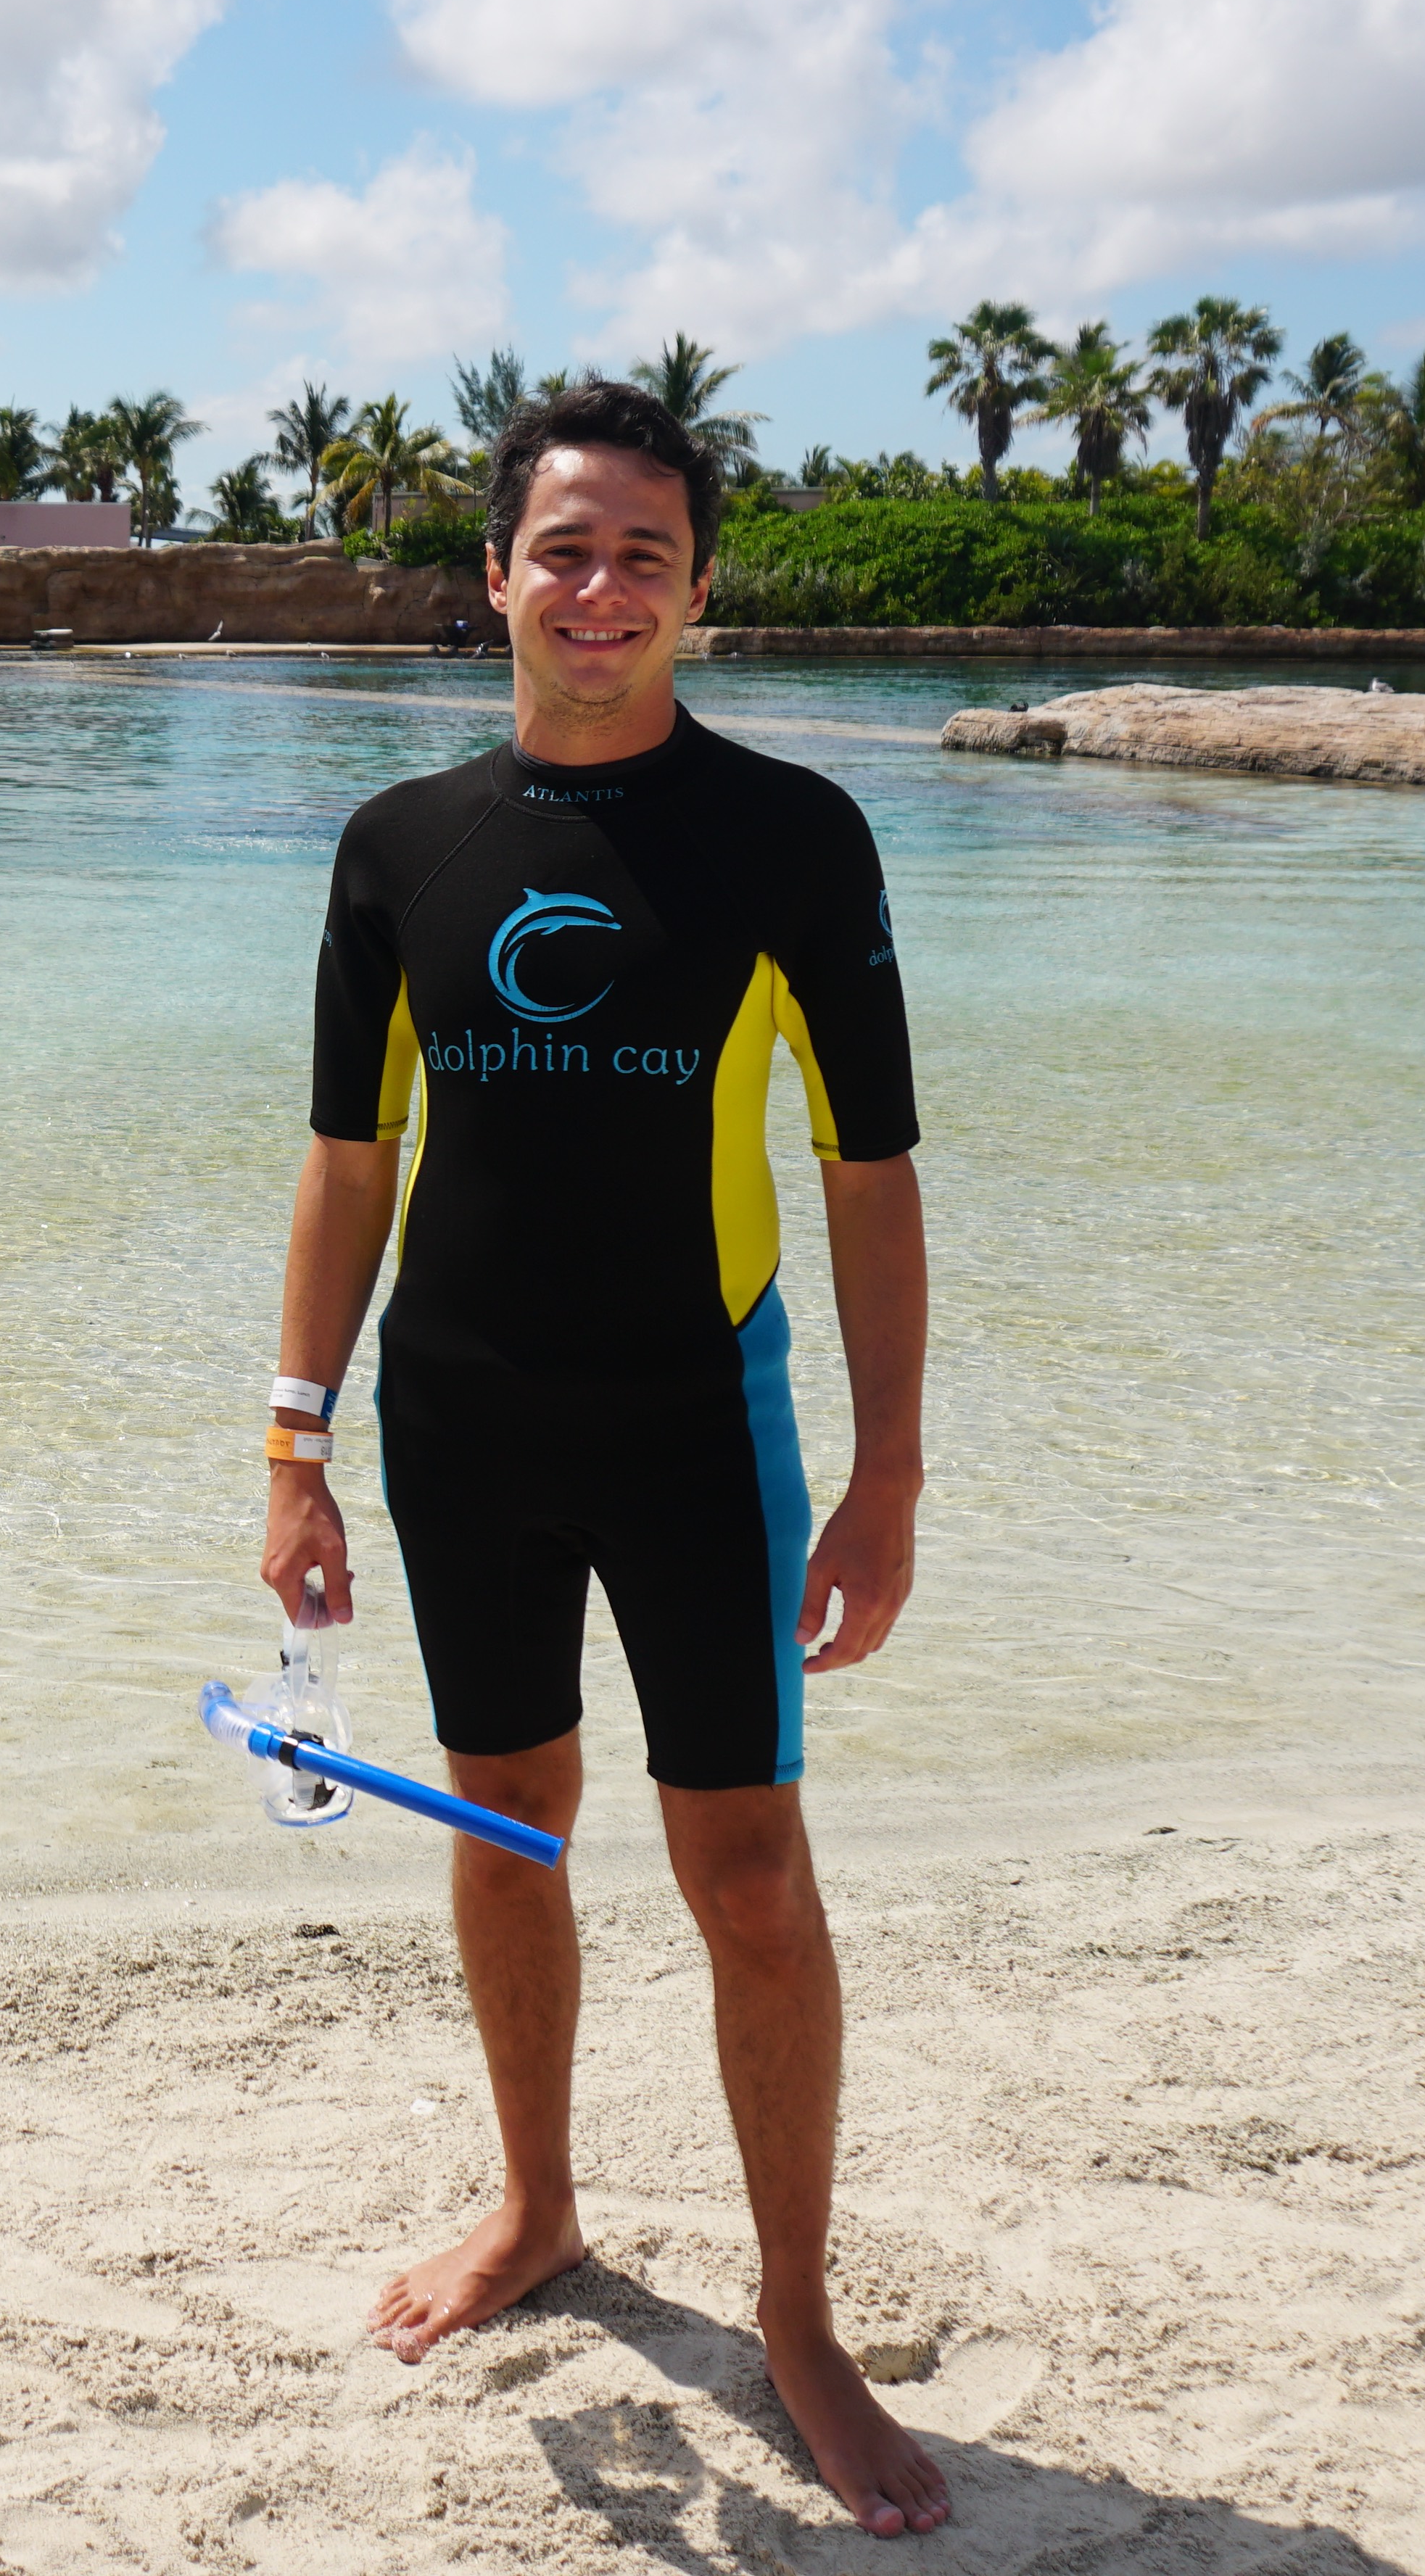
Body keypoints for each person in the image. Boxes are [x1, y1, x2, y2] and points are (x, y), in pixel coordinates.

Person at [257, 379, 949, 2538]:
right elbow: (349, 1155)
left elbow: (867, 1172)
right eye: (562, 546)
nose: (599, 586)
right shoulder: (402, 845)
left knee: (747, 1867)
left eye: (644, 552)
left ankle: (801, 2316)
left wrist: (889, 1472)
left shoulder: (793, 840)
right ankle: (539, 2208)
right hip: (457, 1419)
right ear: (495, 577)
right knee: (511, 1820)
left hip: (694, 1419)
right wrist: (294, 1441)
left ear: (699, 593)